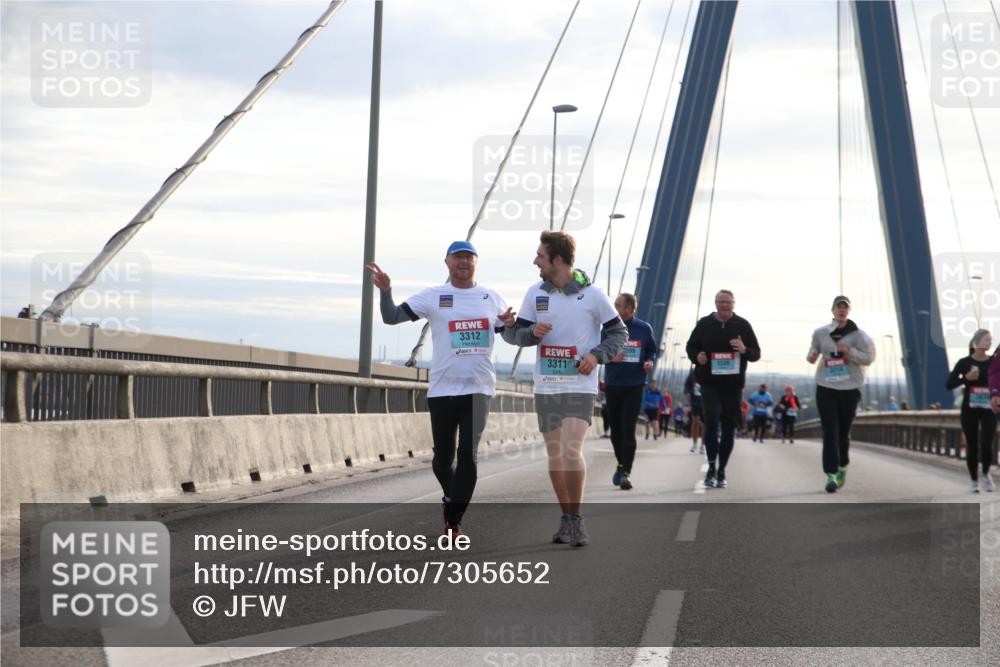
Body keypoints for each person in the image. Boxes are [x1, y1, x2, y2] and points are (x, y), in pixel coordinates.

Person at [366, 241, 513, 536]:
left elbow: (509, 333)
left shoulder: (491, 297)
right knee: (443, 461)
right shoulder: (434, 296)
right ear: (447, 262)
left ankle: (453, 520)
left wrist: (510, 324)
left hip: (478, 389)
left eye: (469, 257)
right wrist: (385, 291)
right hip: (442, 390)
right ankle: (450, 497)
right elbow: (391, 317)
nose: (464, 262)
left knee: (468, 455)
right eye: (458, 257)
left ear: (476, 263)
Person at [503, 231, 626, 546]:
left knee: (571, 449)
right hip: (546, 386)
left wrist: (596, 355)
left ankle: (577, 518)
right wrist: (529, 331)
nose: (535, 261)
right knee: (556, 455)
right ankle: (567, 517)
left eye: (540, 256)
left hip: (579, 385)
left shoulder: (593, 295)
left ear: (557, 259)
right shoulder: (535, 293)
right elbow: (515, 336)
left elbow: (619, 333)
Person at [685, 289, 762, 489]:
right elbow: (691, 347)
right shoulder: (704, 324)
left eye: (728, 302)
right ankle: (711, 466)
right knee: (711, 421)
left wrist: (744, 349)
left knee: (729, 427)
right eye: (721, 302)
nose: (725, 305)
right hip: (709, 383)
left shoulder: (742, 325)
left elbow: (756, 354)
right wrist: (697, 358)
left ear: (734, 304)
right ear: (716, 304)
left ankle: (722, 470)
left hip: (733, 386)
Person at [807, 296, 876, 493]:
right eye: (838, 307)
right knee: (830, 431)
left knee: (843, 432)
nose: (841, 310)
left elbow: (869, 358)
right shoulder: (820, 333)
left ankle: (842, 465)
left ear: (849, 311)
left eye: (845, 307)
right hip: (826, 386)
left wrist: (850, 352)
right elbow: (812, 352)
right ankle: (831, 474)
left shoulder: (860, 336)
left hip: (850, 388)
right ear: (833, 310)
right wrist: (812, 356)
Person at [602, 292, 657, 490]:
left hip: (634, 385)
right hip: (613, 384)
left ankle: (626, 473)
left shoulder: (644, 328)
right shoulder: (607, 327)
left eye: (617, 305)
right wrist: (610, 357)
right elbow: (598, 350)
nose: (614, 308)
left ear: (629, 308)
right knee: (616, 431)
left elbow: (651, 350)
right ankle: (620, 463)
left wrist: (649, 361)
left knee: (628, 430)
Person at [946, 330, 996, 493]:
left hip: (989, 409)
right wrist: (966, 378)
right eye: (986, 340)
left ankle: (986, 474)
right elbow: (949, 384)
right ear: (976, 343)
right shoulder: (964, 362)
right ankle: (974, 481)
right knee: (972, 445)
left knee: (987, 443)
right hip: (970, 409)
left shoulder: (994, 362)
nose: (990, 342)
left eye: (991, 340)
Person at [684, 368, 705, 454]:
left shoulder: (708, 369)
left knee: (705, 425)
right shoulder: (693, 373)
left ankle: (703, 446)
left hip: (706, 401)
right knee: (695, 423)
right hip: (695, 401)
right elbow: (687, 384)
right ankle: (694, 444)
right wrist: (688, 392)